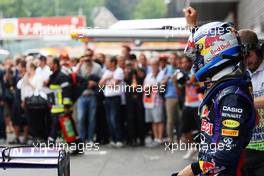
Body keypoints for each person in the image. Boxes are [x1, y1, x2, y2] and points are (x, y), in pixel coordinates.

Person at [174, 7, 256, 176]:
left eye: (199, 54)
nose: (196, 60)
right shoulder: (224, 86)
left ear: (215, 51)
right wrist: (193, 27)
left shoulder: (231, 96)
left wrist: (191, 170)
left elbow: (226, 154)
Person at [239, 29, 264, 176]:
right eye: (243, 57)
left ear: (258, 49)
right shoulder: (240, 73)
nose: (247, 61)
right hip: (246, 147)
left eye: (250, 55)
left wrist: (245, 103)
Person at [76, 48, 102, 144]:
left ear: (92, 56)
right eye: (85, 56)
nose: (87, 58)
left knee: (92, 118)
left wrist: (95, 83)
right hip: (82, 96)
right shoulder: (80, 66)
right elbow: (74, 77)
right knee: (81, 118)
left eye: (89, 56)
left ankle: (90, 139)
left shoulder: (97, 67)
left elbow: (101, 81)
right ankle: (82, 139)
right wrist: (79, 65)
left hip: (92, 95)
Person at [17, 62, 48, 141]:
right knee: (30, 120)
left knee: (38, 120)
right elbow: (19, 86)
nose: (26, 69)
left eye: (27, 67)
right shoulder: (26, 76)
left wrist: (29, 83)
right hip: (28, 101)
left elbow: (38, 88)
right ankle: (34, 137)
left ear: (32, 68)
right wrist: (25, 78)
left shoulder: (38, 77)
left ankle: (40, 137)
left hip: (37, 102)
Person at [99, 56, 124, 148]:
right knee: (109, 120)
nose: (106, 63)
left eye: (107, 61)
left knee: (115, 119)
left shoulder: (119, 71)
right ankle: (113, 139)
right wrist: (107, 79)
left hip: (115, 97)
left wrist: (107, 82)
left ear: (113, 63)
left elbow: (114, 84)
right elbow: (100, 84)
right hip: (107, 98)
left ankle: (119, 139)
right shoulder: (107, 72)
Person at [160, 53, 182, 143]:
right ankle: (170, 140)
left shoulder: (180, 69)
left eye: (174, 59)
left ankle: (180, 138)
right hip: (170, 97)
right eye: (171, 59)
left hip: (181, 96)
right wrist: (165, 80)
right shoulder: (166, 70)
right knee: (170, 120)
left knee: (180, 119)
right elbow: (161, 83)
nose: (173, 61)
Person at [143, 58, 165, 147]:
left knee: (159, 120)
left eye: (155, 64)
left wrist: (152, 86)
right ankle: (156, 138)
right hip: (148, 101)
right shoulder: (148, 75)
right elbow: (144, 87)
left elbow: (162, 87)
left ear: (158, 65)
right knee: (153, 120)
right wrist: (152, 86)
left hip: (158, 100)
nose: (153, 66)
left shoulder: (162, 74)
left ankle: (160, 138)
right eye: (152, 65)